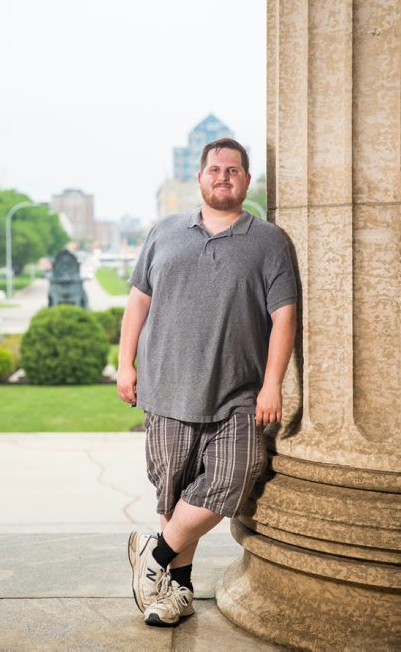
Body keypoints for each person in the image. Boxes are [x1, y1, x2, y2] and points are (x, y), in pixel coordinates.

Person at [117, 138, 297, 627]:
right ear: (200, 178)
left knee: (233, 477)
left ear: (246, 180)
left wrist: (272, 384)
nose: (223, 176)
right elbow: (138, 302)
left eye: (233, 170)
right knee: (173, 492)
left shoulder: (269, 241)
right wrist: (124, 363)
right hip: (167, 388)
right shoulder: (164, 232)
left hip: (238, 393)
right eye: (215, 169)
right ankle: (175, 593)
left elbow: (284, 318)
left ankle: (152, 556)